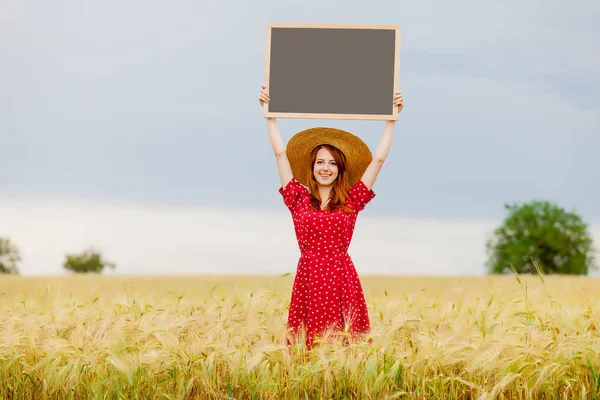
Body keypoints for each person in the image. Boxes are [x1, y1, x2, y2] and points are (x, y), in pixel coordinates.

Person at [258, 84, 404, 349]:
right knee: (307, 347)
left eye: (333, 163)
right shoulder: (297, 199)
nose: (326, 168)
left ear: (340, 170)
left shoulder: (352, 200)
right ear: (311, 168)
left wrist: (391, 118)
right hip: (309, 278)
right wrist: (269, 115)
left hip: (341, 277)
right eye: (320, 162)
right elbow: (280, 154)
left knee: (344, 344)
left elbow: (379, 159)